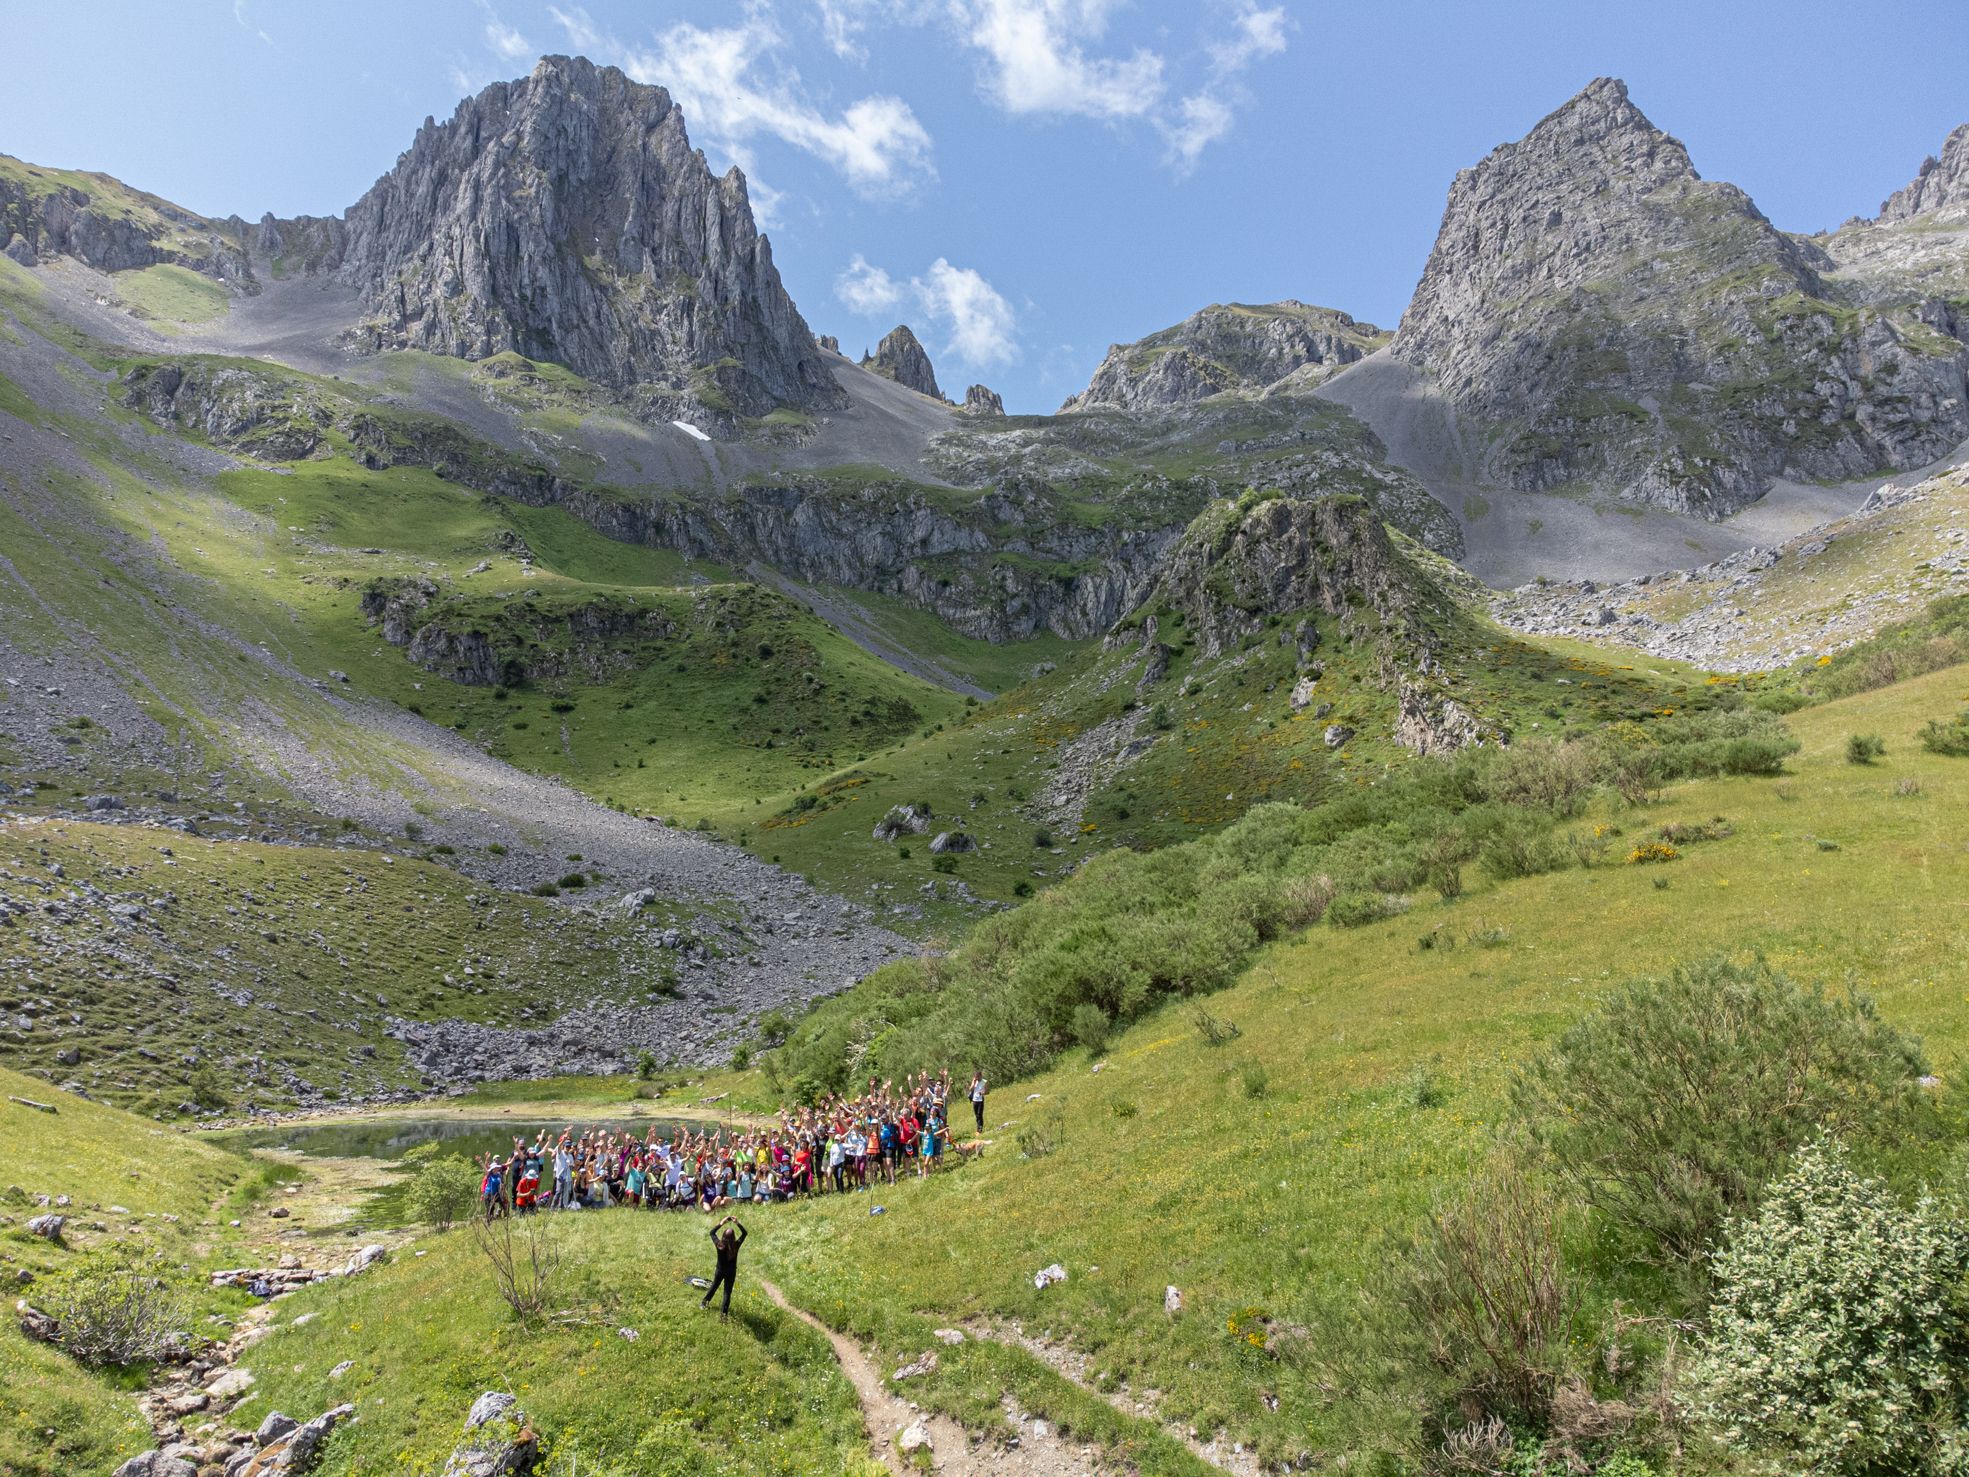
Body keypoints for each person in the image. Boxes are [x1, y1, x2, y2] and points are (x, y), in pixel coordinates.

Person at [702, 1213, 747, 1320]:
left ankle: (704, 1303)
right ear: (733, 1238)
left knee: (714, 1287)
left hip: (720, 1271)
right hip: (731, 1272)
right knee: (727, 1293)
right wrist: (737, 1223)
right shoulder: (736, 1245)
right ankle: (723, 1316)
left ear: (723, 1237)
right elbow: (745, 1233)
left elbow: (712, 1233)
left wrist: (721, 1223)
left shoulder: (719, 1245)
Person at [969, 1070, 987, 1134]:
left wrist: (982, 1092)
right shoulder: (974, 1081)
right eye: (976, 1077)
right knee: (976, 1115)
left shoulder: (984, 1082)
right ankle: (978, 1127)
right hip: (974, 1100)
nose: (977, 1078)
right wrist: (973, 1083)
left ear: (981, 1076)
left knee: (979, 1114)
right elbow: (970, 1089)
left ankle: (979, 1130)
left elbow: (987, 1092)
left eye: (978, 1077)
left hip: (980, 1100)